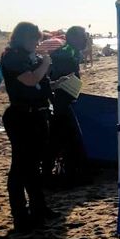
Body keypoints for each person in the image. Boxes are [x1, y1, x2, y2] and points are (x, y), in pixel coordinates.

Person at [0, 22, 58, 232]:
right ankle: (20, 215)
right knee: (20, 168)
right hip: (21, 117)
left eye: (38, 39)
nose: (37, 43)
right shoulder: (12, 56)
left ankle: (39, 208)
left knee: (34, 166)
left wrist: (54, 85)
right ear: (22, 38)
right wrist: (46, 63)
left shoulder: (28, 57)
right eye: (34, 39)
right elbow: (29, 79)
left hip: (38, 114)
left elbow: (38, 83)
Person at [47, 26, 87, 184]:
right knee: (63, 138)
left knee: (62, 138)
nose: (85, 40)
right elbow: (63, 78)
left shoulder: (71, 52)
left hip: (65, 99)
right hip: (62, 101)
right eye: (83, 36)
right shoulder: (66, 53)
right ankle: (65, 174)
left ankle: (66, 171)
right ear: (74, 38)